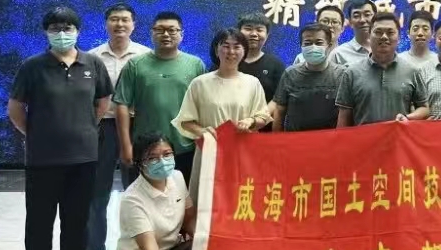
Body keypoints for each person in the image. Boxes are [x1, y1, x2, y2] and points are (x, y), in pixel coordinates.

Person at [8, 6, 113, 250]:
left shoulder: (92, 63)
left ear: (78, 31)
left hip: (83, 159)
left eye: (68, 27)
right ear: (46, 32)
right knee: (39, 226)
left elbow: (102, 102)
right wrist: (37, 134)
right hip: (43, 161)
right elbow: (15, 109)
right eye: (55, 28)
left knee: (76, 224)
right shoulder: (32, 66)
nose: (62, 33)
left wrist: (84, 129)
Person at [83, 3, 149, 250]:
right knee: (95, 195)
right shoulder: (92, 56)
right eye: (114, 19)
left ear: (134, 24)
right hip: (102, 128)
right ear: (106, 23)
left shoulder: (145, 55)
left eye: (125, 20)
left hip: (137, 127)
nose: (119, 24)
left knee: (137, 197)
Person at [172, 29, 272, 201]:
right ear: (216, 49)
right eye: (225, 46)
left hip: (242, 152)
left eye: (237, 47)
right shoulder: (200, 83)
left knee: (240, 201)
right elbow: (185, 121)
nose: (231, 52)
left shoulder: (252, 83)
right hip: (209, 152)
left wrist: (250, 121)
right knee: (207, 202)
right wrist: (202, 131)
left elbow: (263, 117)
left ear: (244, 51)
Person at [115, 11, 207, 188]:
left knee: (183, 199)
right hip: (146, 149)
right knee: (146, 198)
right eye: (160, 30)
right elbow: (122, 105)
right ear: (151, 33)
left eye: (172, 30)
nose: (166, 34)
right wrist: (126, 146)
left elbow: (203, 106)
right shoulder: (135, 65)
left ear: (181, 34)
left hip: (185, 147)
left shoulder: (195, 65)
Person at [336, 12, 429, 126]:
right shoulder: (351, 73)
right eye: (378, 32)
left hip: (399, 137)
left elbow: (424, 108)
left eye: (390, 32)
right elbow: (344, 118)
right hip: (364, 137)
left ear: (399, 37)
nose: (384, 37)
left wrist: (408, 117)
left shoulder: (412, 71)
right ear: (369, 36)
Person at [272, 23, 345, 131]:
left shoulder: (341, 74)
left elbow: (346, 112)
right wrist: (277, 139)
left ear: (329, 46)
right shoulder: (290, 74)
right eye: (308, 43)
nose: (313, 47)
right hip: (296, 138)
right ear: (301, 46)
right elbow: (279, 110)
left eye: (319, 43)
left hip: (329, 138)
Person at [331, 0, 377, 66]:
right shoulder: (338, 54)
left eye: (367, 15)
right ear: (350, 22)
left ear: (376, 18)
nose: (362, 20)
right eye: (356, 16)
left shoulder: (387, 50)